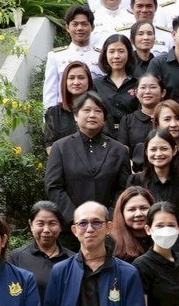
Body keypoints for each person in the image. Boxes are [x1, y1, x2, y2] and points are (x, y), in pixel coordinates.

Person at [45, 92, 131, 230]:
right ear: (75, 116)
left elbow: (123, 189)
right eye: (86, 110)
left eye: (98, 111)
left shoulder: (119, 150)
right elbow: (54, 187)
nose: (92, 115)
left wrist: (107, 218)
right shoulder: (60, 147)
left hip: (108, 227)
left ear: (104, 118)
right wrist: (76, 219)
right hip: (71, 228)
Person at [43, 5, 104, 110]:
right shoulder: (56, 56)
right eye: (75, 24)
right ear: (67, 27)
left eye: (84, 24)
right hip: (64, 112)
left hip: (93, 113)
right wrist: (50, 117)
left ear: (92, 27)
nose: (80, 28)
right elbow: (50, 92)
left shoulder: (101, 56)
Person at [129, 130, 179, 213]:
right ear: (146, 152)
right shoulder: (135, 181)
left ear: (174, 150)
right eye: (153, 149)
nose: (158, 154)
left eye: (164, 149)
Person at [44, 60, 96, 150]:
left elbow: (107, 141)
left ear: (89, 81)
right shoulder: (54, 113)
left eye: (81, 78)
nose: (76, 82)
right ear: (65, 81)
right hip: (64, 158)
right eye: (71, 78)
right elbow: (50, 146)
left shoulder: (99, 110)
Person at [93, 33, 140, 125]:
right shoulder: (96, 84)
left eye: (121, 51)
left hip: (133, 131)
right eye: (111, 52)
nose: (116, 56)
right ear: (105, 55)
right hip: (104, 132)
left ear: (129, 54)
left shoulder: (138, 83)